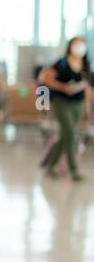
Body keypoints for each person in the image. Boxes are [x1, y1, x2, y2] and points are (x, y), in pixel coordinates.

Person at [40, 37, 91, 181]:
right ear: (71, 46)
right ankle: (74, 170)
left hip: (78, 104)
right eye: (77, 43)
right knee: (71, 134)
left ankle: (51, 165)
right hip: (61, 102)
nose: (80, 47)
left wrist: (87, 107)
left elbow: (86, 87)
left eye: (83, 44)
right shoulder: (61, 63)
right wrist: (63, 87)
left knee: (65, 136)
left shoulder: (85, 64)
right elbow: (46, 79)